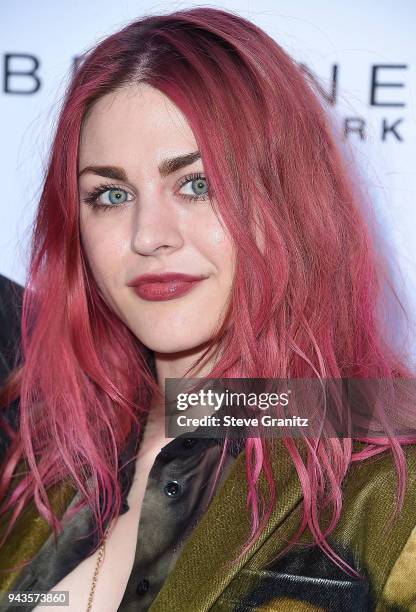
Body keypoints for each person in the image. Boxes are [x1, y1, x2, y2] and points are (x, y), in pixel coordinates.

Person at [1, 6, 416, 612]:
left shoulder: (387, 483)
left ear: (289, 200)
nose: (149, 235)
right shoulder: (39, 460)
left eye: (198, 185)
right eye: (111, 195)